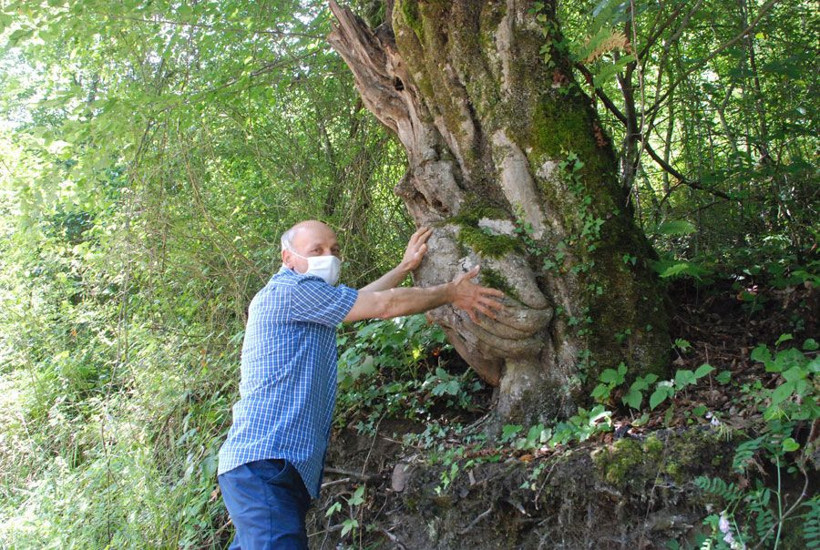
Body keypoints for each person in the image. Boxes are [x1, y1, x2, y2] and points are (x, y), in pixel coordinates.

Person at [217, 220, 505, 549]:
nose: (329, 257)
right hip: (265, 465)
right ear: (288, 258)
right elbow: (384, 306)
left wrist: (404, 267)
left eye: (334, 250)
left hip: (272, 468)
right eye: (317, 250)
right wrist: (452, 292)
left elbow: (364, 299)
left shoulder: (309, 301)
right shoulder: (289, 291)